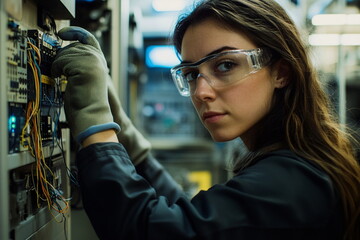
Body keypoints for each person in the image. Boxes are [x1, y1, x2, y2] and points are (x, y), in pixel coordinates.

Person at [52, 0, 360, 239]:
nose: (201, 91)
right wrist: (126, 136)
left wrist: (96, 124)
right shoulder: (299, 164)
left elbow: (150, 231)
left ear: (281, 71)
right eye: (191, 73)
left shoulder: (293, 183)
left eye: (225, 65)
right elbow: (189, 219)